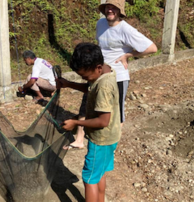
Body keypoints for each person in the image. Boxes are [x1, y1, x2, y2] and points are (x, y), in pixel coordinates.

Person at [66, 0, 157, 149]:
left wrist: (128, 55)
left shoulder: (126, 29)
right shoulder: (100, 24)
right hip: (96, 73)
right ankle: (79, 140)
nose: (110, 10)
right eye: (108, 7)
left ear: (120, 11)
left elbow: (152, 48)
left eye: (114, 7)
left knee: (115, 113)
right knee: (87, 105)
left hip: (117, 76)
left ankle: (111, 145)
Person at [57, 43, 121, 202]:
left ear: (98, 67)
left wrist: (76, 123)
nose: (84, 80)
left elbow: (103, 121)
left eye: (85, 77)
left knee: (89, 178)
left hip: (101, 140)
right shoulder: (105, 71)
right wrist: (68, 84)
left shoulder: (104, 86)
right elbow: (90, 87)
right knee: (99, 173)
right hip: (110, 137)